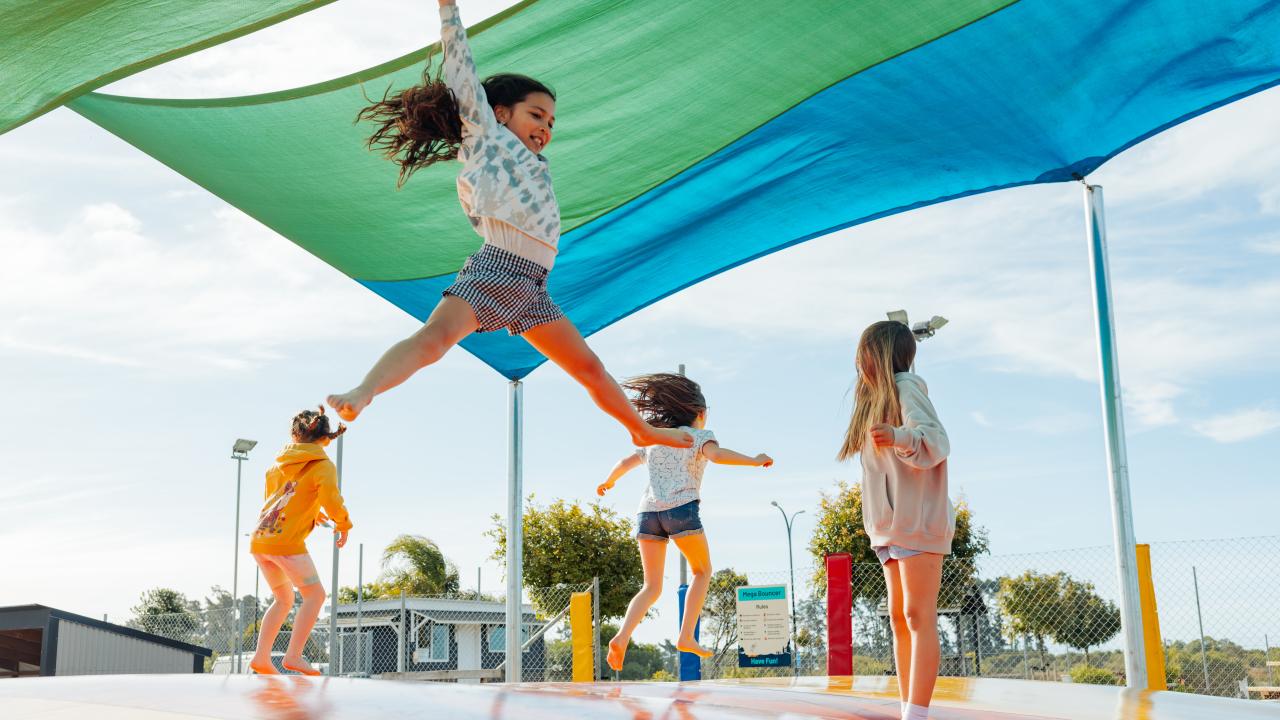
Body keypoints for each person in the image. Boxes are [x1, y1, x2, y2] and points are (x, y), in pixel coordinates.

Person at [326, 0, 691, 450]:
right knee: (434, 340)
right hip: (495, 270)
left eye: (551, 121)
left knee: (588, 369)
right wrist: (448, 10)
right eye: (536, 114)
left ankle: (640, 429)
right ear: (500, 113)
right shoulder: (487, 137)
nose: (546, 127)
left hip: (532, 288)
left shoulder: (536, 162)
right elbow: (461, 69)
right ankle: (363, 392)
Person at [597, 373, 773, 671]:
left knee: (651, 586)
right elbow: (717, 456)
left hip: (648, 514)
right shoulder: (698, 436)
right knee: (702, 570)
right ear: (700, 415)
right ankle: (686, 636)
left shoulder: (654, 437)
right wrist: (754, 460)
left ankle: (623, 635)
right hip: (681, 510)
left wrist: (609, 481)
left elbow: (627, 462)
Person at [837, 321, 952, 720]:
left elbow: (936, 442)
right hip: (888, 527)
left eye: (863, 351)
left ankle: (916, 714)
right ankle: (908, 708)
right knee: (901, 618)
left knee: (919, 615)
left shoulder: (907, 387)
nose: (858, 360)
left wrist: (901, 437)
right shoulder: (875, 398)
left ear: (880, 353)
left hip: (917, 521)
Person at [248, 406, 352, 676]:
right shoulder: (322, 465)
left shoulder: (276, 464)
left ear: (294, 435)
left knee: (283, 598)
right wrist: (342, 523)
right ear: (325, 439)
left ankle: (261, 657)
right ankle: (293, 656)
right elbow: (331, 498)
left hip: (261, 540)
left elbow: (279, 498)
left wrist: (311, 512)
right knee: (315, 595)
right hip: (286, 544)